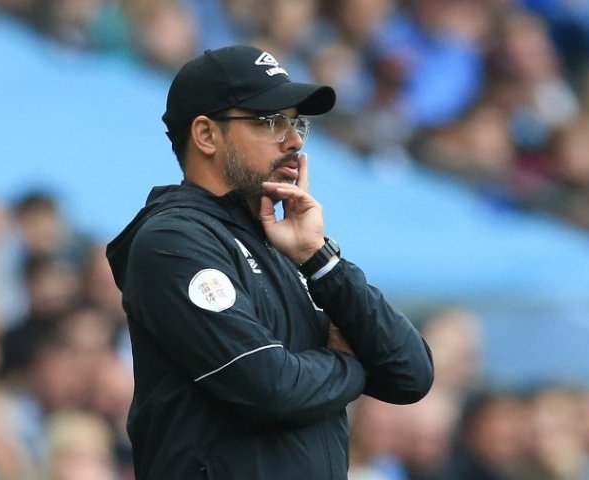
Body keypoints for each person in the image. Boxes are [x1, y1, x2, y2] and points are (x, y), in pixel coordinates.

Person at [105, 45, 434, 480]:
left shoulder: (287, 244)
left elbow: (410, 374)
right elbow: (271, 388)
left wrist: (320, 261)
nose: (294, 140)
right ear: (206, 135)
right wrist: (349, 364)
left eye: (295, 122)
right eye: (269, 121)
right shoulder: (174, 242)